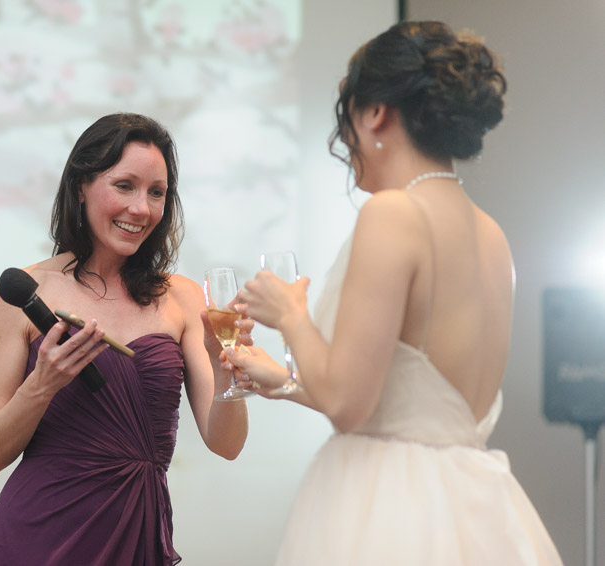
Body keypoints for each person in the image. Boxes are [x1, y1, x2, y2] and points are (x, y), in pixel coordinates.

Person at [227, 21, 563, 565]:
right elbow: (409, 408)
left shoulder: (393, 213)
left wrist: (291, 314)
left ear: (375, 112)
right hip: (472, 502)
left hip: (393, 506)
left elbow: (347, 406)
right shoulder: (491, 234)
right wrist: (286, 383)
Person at [0, 113, 249, 565]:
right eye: (124, 186)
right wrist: (42, 384)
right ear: (81, 186)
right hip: (38, 537)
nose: (141, 209)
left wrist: (227, 367)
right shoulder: (28, 291)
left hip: (138, 533)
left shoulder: (183, 297)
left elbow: (228, 444)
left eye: (156, 192)